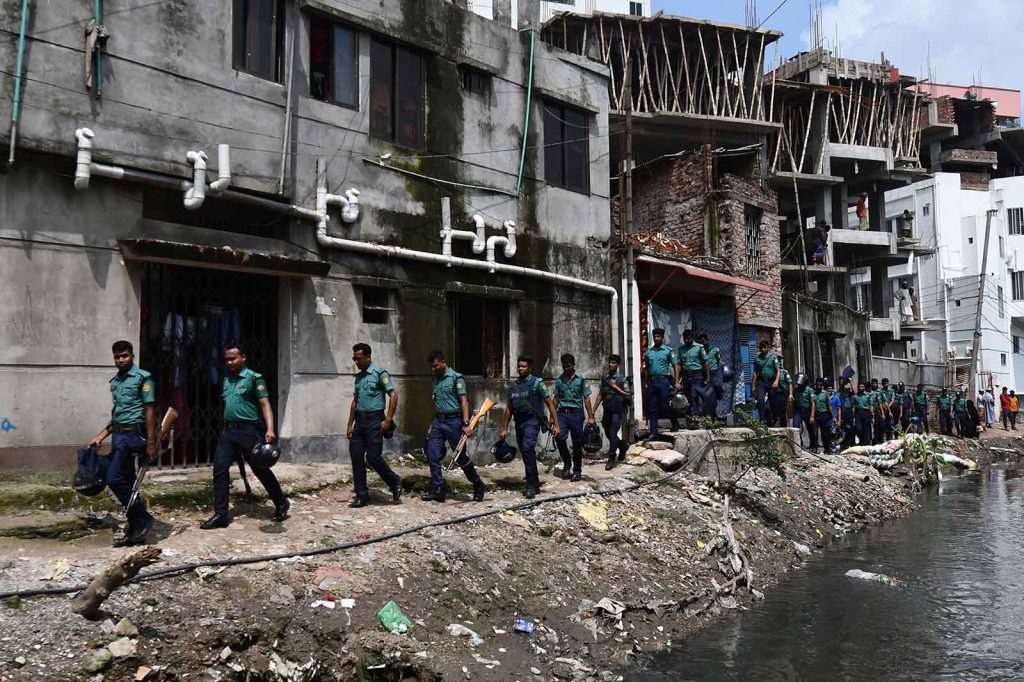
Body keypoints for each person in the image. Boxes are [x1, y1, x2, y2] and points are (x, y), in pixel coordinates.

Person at [201, 342, 289, 529]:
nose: (230, 362)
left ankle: (281, 503)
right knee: (220, 470)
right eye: (227, 359)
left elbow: (265, 404)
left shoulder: (254, 379)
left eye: (233, 358)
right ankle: (221, 514)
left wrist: (270, 429)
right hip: (228, 431)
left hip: (249, 431)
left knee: (260, 468)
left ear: (243, 358)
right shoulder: (226, 379)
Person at [87, 340, 158, 547]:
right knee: (126, 482)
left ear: (132, 356)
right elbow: (117, 416)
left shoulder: (143, 378)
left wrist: (151, 441)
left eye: (125, 356)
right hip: (118, 437)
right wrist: (101, 436)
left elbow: (149, 411)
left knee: (113, 477)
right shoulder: (115, 382)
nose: (121, 360)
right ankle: (136, 530)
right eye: (117, 357)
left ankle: (143, 517)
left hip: (133, 436)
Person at [344, 343, 403, 508]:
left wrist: (388, 420)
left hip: (375, 420)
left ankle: (394, 481)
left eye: (359, 358)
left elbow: (393, 395)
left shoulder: (380, 374)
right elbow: (355, 402)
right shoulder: (359, 377)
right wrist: (350, 424)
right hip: (360, 422)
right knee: (356, 456)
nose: (356, 361)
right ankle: (362, 495)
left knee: (373, 457)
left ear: (368, 357)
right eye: (354, 358)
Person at [422, 351, 485, 503]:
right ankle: (438, 489)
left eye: (436, 366)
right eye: (431, 367)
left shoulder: (456, 378)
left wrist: (465, 423)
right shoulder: (434, 380)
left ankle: (478, 484)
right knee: (432, 455)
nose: (433, 369)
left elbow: (464, 401)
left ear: (443, 362)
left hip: (454, 421)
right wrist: (431, 424)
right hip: (439, 421)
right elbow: (436, 403)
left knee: (460, 457)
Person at [500, 356, 559, 498]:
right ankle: (535, 481)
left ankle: (531, 485)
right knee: (525, 452)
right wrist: (505, 428)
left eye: (524, 366)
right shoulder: (513, 386)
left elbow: (550, 403)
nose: (520, 368)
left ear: (529, 368)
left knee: (528, 448)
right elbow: (509, 408)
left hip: (532, 421)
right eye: (519, 366)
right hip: (519, 422)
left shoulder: (537, 383)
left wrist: (556, 424)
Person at [553, 353, 596, 482]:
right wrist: (552, 416)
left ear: (573, 365)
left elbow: (587, 399)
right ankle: (567, 463)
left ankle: (577, 470)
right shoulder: (559, 380)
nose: (566, 368)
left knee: (577, 443)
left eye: (568, 366)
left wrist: (590, 417)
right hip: (562, 414)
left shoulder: (581, 379)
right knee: (559, 438)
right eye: (564, 366)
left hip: (576, 414)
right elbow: (556, 398)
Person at [593, 354, 631, 470]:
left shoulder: (622, 379)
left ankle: (611, 458)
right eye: (610, 362)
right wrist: (592, 412)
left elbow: (627, 394)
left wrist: (615, 386)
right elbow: (600, 395)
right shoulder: (605, 378)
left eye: (613, 363)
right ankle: (622, 446)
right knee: (608, 433)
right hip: (607, 409)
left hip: (617, 409)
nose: (611, 365)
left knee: (613, 432)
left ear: (618, 365)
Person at [643, 328, 680, 438]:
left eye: (659, 336)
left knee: (665, 404)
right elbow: (646, 368)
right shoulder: (649, 352)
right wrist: (646, 382)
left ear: (662, 338)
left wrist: (676, 382)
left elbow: (675, 366)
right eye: (655, 336)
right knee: (652, 407)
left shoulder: (668, 351)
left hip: (663, 380)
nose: (656, 338)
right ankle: (653, 432)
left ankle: (675, 423)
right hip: (652, 381)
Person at [677, 330, 707, 418]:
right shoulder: (681, 349)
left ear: (692, 338)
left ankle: (694, 416)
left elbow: (705, 362)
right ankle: (690, 416)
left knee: (694, 394)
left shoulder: (699, 347)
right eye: (685, 339)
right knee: (687, 396)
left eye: (688, 339)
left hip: (697, 374)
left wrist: (707, 377)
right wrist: (677, 380)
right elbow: (679, 365)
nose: (686, 341)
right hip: (686, 375)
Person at [752, 340, 780, 425]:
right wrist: (753, 385)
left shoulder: (773, 357)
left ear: (768, 348)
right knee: (760, 400)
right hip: (761, 382)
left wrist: (776, 381)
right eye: (761, 348)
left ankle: (774, 418)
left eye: (764, 347)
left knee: (773, 403)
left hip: (771, 382)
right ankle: (762, 420)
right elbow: (755, 373)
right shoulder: (757, 359)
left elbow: (778, 370)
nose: (763, 349)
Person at [698, 333, 724, 417]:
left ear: (707, 341)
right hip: (705, 375)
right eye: (701, 342)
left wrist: (720, 366)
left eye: (704, 341)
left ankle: (720, 394)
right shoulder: (700, 351)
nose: (703, 343)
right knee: (709, 396)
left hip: (715, 372)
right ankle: (713, 417)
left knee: (717, 385)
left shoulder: (715, 349)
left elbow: (719, 360)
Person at [792, 376, 817, 450]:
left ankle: (813, 446)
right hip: (798, 411)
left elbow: (813, 403)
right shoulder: (795, 390)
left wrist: (812, 416)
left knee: (811, 430)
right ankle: (799, 444)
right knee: (796, 427)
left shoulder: (809, 390)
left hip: (807, 411)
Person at [839, 379, 856, 448]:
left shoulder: (848, 390)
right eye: (840, 382)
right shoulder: (837, 392)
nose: (842, 383)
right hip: (841, 411)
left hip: (848, 410)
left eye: (843, 382)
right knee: (843, 428)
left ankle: (852, 443)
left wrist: (850, 382)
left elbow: (855, 393)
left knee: (851, 428)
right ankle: (844, 444)